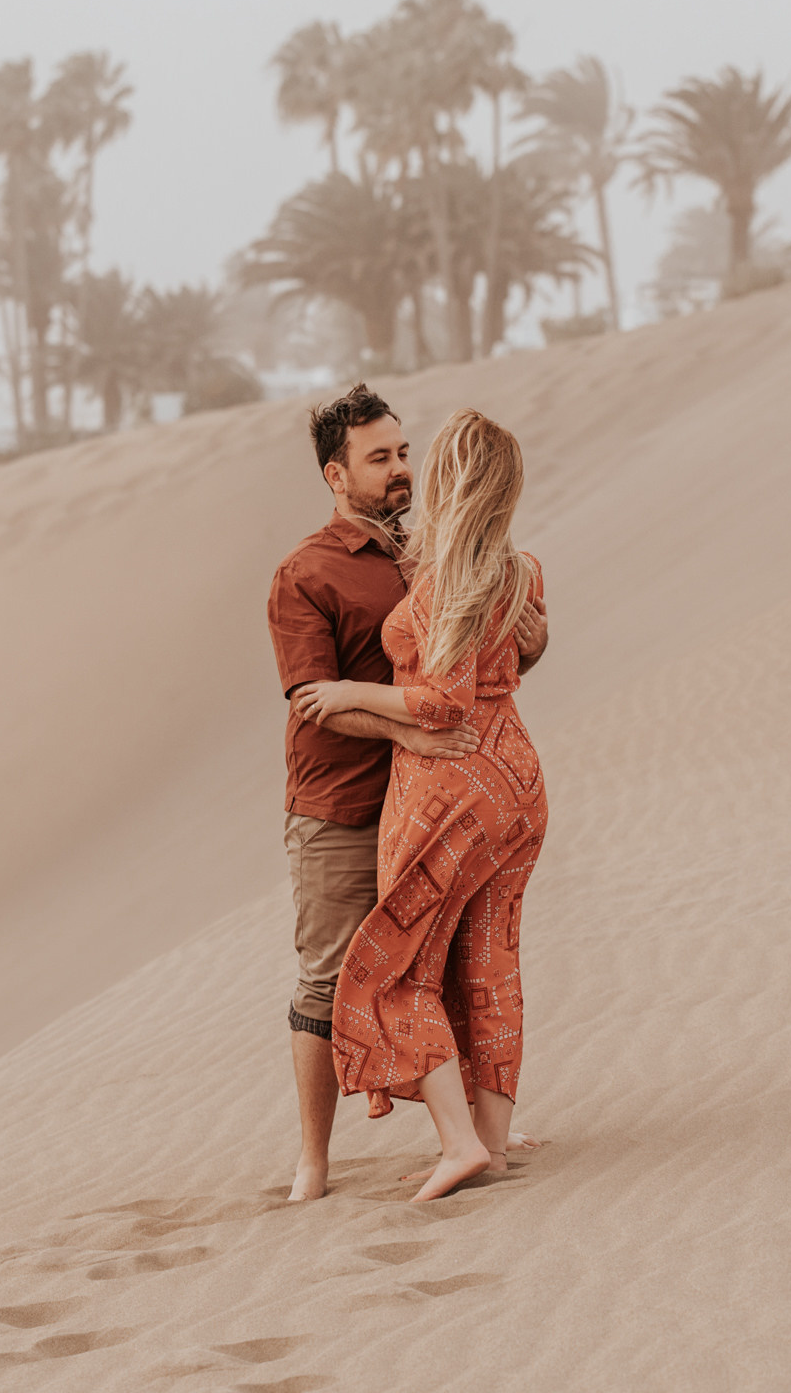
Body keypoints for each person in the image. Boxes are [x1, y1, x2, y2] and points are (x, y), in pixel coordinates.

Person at [267, 386, 546, 1203]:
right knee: (331, 977)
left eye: (402, 453)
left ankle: (472, 1139)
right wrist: (410, 734)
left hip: (436, 798)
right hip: (342, 803)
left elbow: (481, 665)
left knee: (446, 963)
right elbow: (312, 699)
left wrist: (531, 636)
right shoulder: (306, 573)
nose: (399, 470)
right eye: (379, 459)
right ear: (335, 474)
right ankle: (314, 1162)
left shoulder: (436, 547)